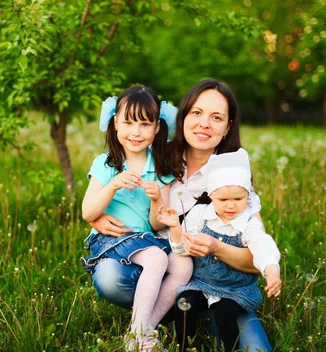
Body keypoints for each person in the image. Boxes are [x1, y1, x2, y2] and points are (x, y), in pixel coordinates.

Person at [87, 79, 274, 351]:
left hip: (218, 287)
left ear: (227, 128)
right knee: (109, 277)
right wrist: (95, 216)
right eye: (196, 113)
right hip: (163, 274)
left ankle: (189, 314)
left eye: (216, 117)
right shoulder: (155, 156)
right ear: (182, 116)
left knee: (256, 350)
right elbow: (117, 186)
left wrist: (217, 247)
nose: (204, 124)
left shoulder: (233, 175)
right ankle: (155, 319)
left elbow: (257, 260)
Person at [80, 86, 193, 350]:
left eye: (144, 124)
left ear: (156, 128)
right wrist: (112, 186)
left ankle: (143, 329)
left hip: (145, 239)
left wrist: (156, 200)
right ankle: (140, 335)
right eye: (128, 122)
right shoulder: (106, 163)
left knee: (183, 265)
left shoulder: (160, 168)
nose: (136, 132)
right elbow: (88, 212)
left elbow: (156, 224)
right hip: (112, 239)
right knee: (157, 257)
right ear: (115, 123)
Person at [158, 148, 281, 351]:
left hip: (235, 289)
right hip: (201, 283)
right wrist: (175, 227)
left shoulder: (248, 224)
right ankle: (184, 346)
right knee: (184, 303)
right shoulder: (199, 214)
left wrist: (272, 271)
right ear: (211, 194)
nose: (231, 206)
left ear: (247, 196)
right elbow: (181, 250)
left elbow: (264, 247)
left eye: (238, 199)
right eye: (223, 200)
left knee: (225, 315)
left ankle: (229, 348)